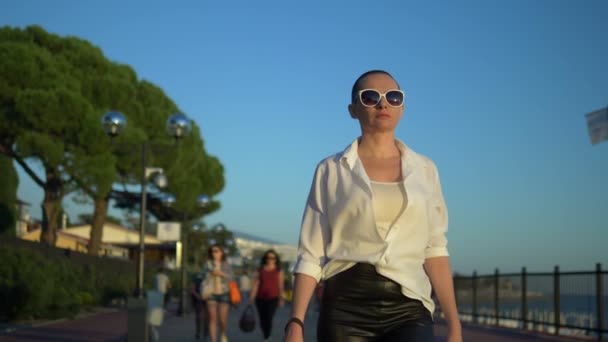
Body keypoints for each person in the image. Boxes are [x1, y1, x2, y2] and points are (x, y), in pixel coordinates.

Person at [285, 70, 462, 342]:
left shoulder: (425, 170)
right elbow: (311, 253)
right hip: (344, 307)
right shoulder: (331, 170)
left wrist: (454, 325)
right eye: (370, 97)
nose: (383, 104)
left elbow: (435, 249)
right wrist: (295, 322)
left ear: (402, 107)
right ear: (353, 110)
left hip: (410, 306)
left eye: (393, 97)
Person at [249, 249, 285, 342]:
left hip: (273, 298)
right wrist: (252, 296)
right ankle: (265, 334)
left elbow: (281, 285)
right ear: (265, 258)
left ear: (276, 259)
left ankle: (267, 336)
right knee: (262, 318)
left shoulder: (278, 270)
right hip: (260, 298)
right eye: (268, 257)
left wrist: (281, 298)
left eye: (273, 258)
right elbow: (256, 284)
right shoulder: (260, 270)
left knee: (269, 317)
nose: (270, 259)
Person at [203, 244, 233, 342]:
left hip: (224, 293)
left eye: (217, 251)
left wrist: (221, 274)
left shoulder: (226, 264)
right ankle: (213, 340)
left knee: (222, 319)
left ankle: (223, 333)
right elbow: (203, 276)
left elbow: (232, 278)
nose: (214, 253)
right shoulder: (208, 263)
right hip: (211, 293)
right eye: (212, 251)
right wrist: (211, 274)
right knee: (212, 318)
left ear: (221, 252)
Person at [191, 272, 209, 340]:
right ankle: (203, 333)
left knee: (202, 317)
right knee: (203, 317)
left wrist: (197, 296)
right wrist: (198, 296)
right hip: (202, 300)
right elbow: (192, 289)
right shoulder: (198, 279)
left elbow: (192, 289)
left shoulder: (197, 279)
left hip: (201, 299)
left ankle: (201, 333)